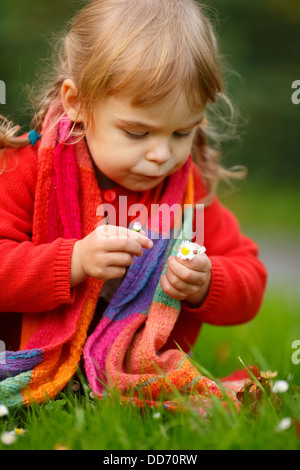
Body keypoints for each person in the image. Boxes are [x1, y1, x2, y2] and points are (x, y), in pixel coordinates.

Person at [0, 0, 267, 408]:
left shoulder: (185, 194)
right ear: (78, 102)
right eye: (137, 133)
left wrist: (207, 283)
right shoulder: (29, 171)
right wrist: (73, 261)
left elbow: (251, 281)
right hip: (22, 358)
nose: (162, 155)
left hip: (136, 366)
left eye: (181, 133)